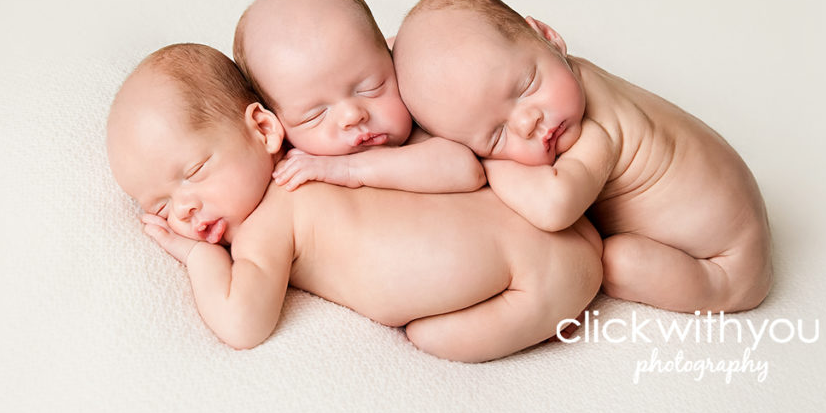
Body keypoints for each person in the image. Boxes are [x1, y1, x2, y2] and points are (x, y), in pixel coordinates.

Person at [105, 43, 603, 363]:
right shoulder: (327, 150)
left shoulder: (267, 226)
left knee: (431, 338)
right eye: (162, 207)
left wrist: (198, 258)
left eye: (192, 174)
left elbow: (243, 324)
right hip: (564, 228)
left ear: (262, 128)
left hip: (535, 287)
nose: (185, 211)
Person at [392, 0, 772, 314]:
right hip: (733, 212)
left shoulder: (596, 131)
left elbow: (554, 208)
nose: (528, 122)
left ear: (547, 35)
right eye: (496, 135)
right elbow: (454, 77)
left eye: (526, 86)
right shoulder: (565, 73)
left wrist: (480, 159)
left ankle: (721, 292)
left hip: (727, 265)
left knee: (617, 262)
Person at [233, 0, 485, 193]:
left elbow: (466, 169)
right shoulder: (291, 166)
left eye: (370, 88)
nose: (352, 116)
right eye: (315, 114)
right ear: (272, 126)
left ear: (392, 58)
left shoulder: (421, 126)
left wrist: (349, 169)